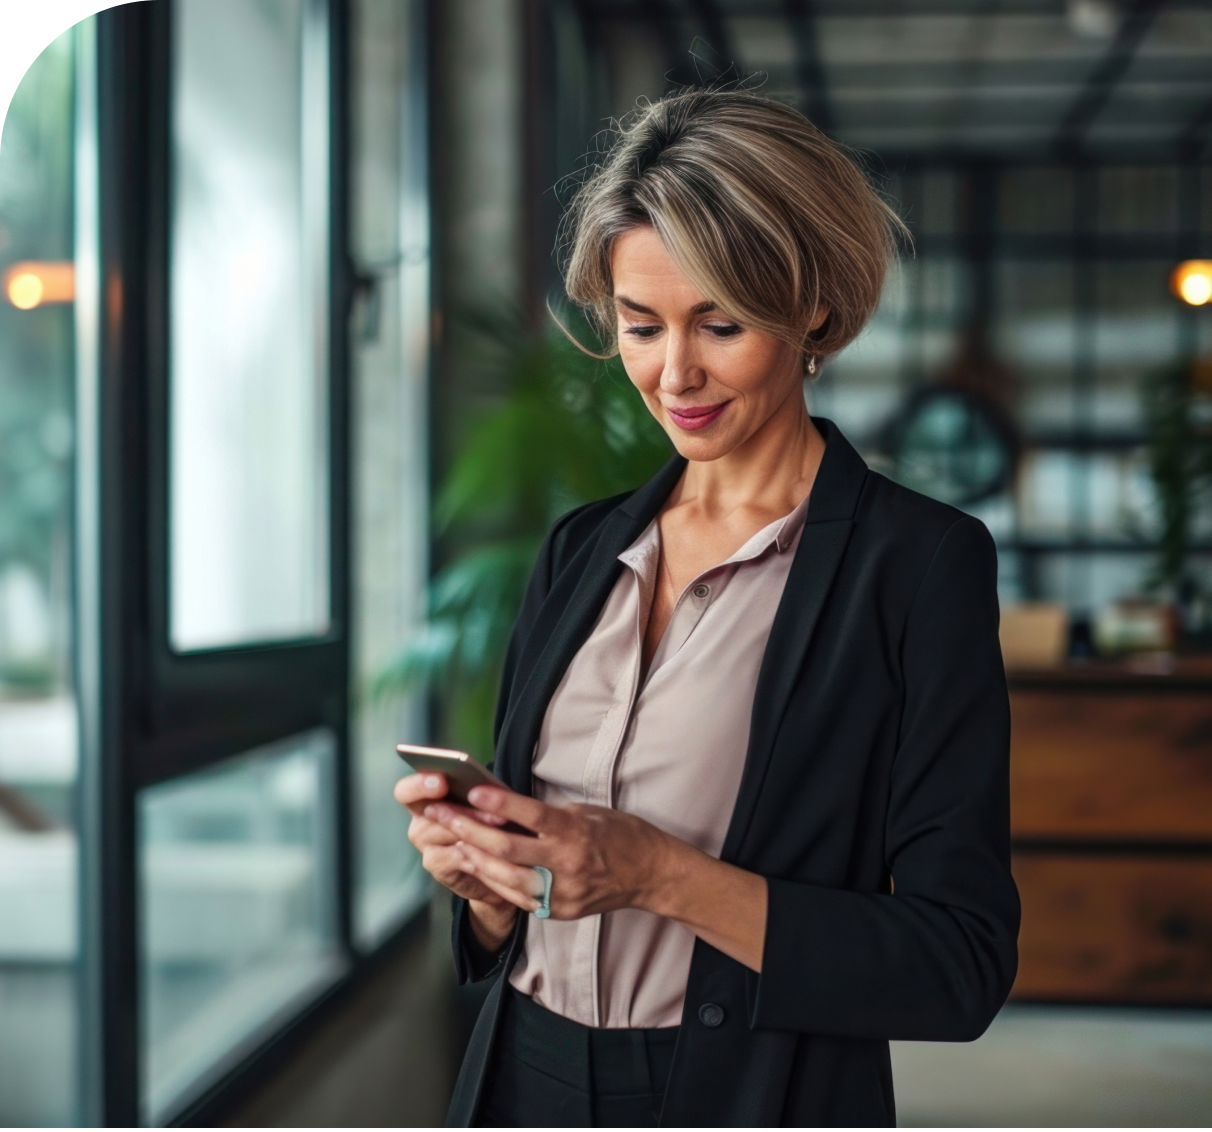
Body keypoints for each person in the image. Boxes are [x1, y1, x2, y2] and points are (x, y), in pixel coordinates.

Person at [395, 88, 1019, 1128]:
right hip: (520, 1080)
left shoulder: (919, 566)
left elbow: (958, 963)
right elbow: (528, 908)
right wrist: (492, 880)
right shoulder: (581, 550)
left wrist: (660, 873)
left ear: (812, 308)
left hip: (746, 1096)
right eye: (640, 326)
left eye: (719, 324)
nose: (673, 372)